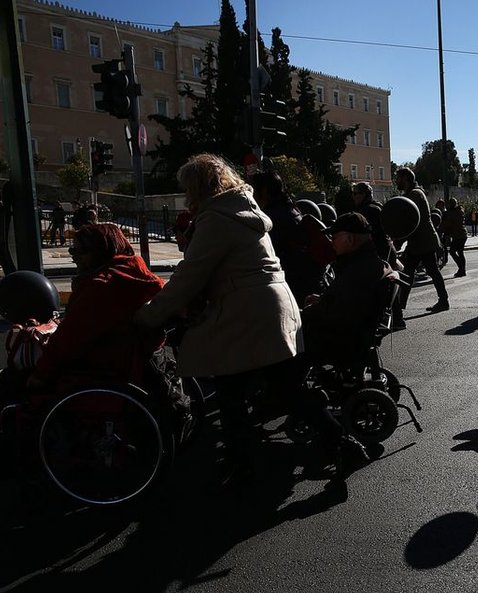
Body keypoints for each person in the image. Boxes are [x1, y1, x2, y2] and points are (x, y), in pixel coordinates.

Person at [134, 154, 319, 487]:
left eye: (188, 188)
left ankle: (241, 467)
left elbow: (190, 276)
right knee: (281, 388)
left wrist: (149, 315)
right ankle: (333, 444)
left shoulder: (216, 218)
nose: (186, 195)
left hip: (248, 314)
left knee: (234, 393)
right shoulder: (241, 209)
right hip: (266, 309)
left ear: (199, 187)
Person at [28, 223, 164, 389]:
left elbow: (69, 340)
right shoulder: (136, 272)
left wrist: (40, 375)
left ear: (102, 250)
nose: (75, 257)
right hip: (129, 362)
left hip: (102, 366)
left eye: (81, 251)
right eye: (72, 250)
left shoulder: (102, 286)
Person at [302, 212, 393, 366]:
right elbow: (348, 301)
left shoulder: (358, 269)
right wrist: (324, 301)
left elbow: (341, 312)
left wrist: (305, 313)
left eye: (334, 237)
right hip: (354, 332)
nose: (332, 242)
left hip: (343, 338)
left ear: (349, 239)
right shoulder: (370, 263)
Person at [250, 168, 325, 305]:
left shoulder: (273, 219)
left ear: (264, 192)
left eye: (253, 192)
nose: (252, 197)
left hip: (292, 287)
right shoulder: (290, 209)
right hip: (305, 283)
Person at [393, 167, 449, 315]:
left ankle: (399, 308)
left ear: (405, 179)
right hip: (421, 241)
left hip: (422, 241)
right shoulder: (415, 193)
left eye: (398, 178)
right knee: (417, 272)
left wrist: (397, 241)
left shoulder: (414, 195)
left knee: (410, 273)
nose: (396, 181)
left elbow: (410, 221)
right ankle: (442, 301)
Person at [351, 181, 396, 265]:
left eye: (355, 193)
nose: (353, 196)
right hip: (383, 253)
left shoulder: (369, 211)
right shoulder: (375, 207)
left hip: (379, 256)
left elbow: (366, 235)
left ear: (363, 195)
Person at [440, 197, 468, 277]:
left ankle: (461, 268)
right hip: (462, 234)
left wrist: (441, 229)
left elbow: (448, 223)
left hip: (458, 235)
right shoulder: (459, 211)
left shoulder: (453, 213)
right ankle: (462, 270)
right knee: (460, 252)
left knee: (452, 251)